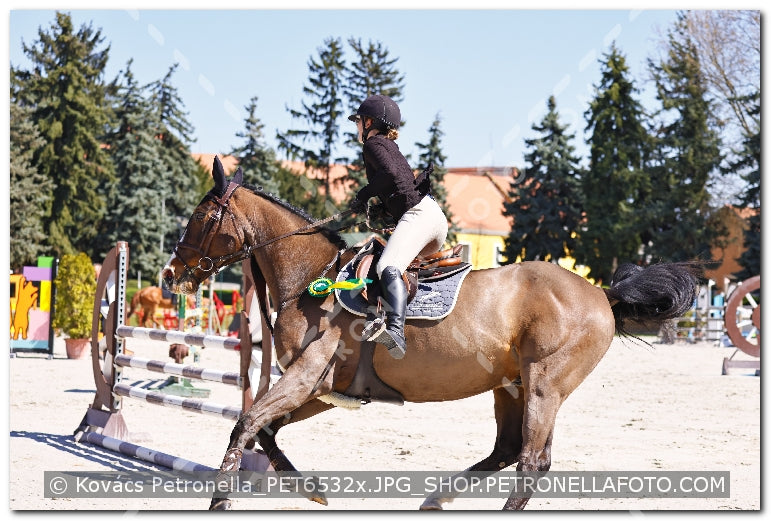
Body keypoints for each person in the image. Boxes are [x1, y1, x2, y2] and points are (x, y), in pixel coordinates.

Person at [348, 94, 449, 359]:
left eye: (358, 121)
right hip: (431, 217)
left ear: (369, 122)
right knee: (390, 262)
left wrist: (364, 194)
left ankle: (395, 330)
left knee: (387, 266)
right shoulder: (389, 146)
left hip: (420, 215)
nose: (357, 126)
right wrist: (383, 208)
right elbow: (398, 184)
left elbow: (390, 175)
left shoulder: (373, 145)